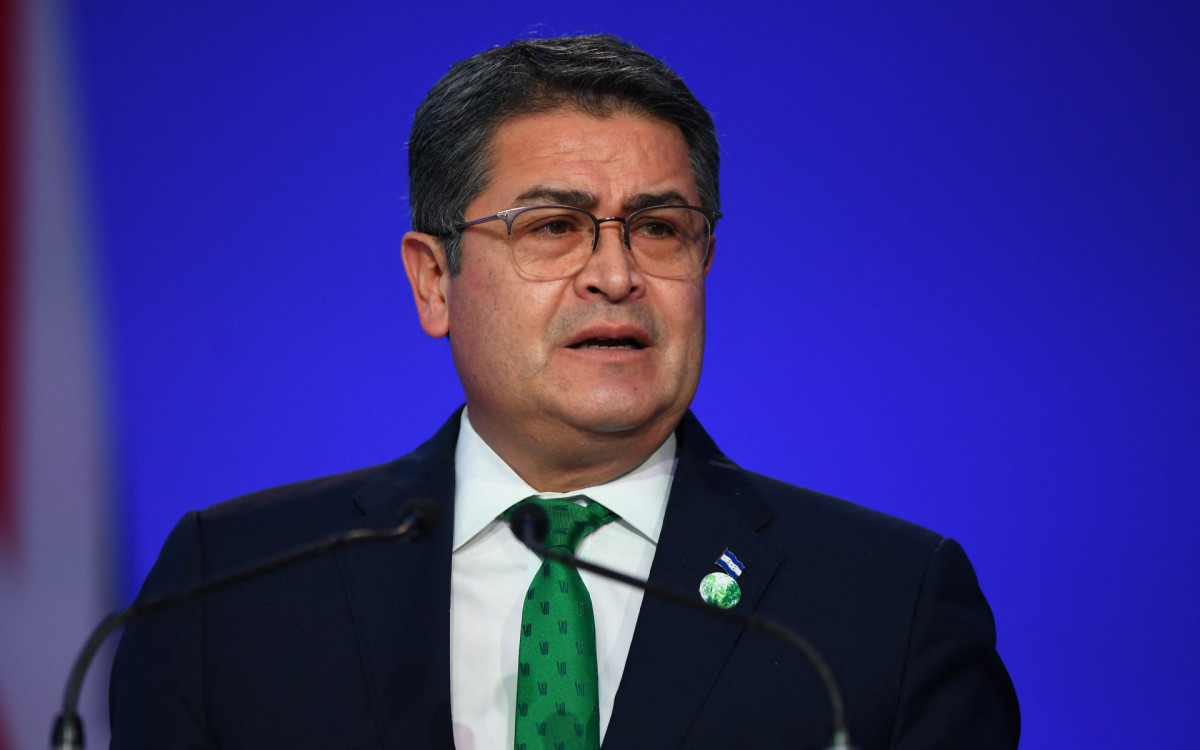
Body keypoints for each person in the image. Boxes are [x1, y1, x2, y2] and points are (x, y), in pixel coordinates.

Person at [109, 34, 1019, 749]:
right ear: (434, 281)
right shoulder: (230, 592)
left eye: (659, 228)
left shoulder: (885, 607)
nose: (616, 275)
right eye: (553, 226)